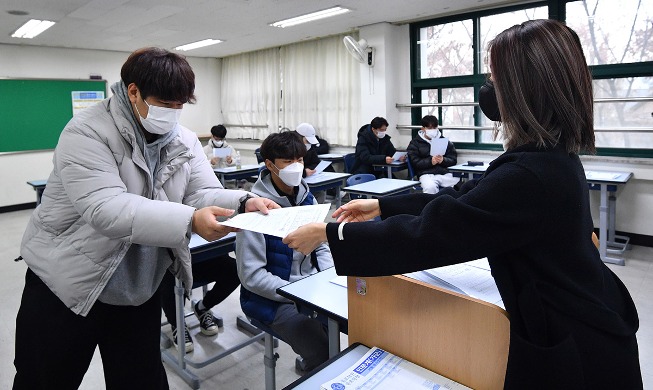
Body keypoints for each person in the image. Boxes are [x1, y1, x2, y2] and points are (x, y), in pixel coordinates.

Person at [283, 20, 642, 389]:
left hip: (579, 350)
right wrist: (384, 207)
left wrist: (330, 233)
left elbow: (431, 235)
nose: (488, 90)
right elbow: (467, 201)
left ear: (524, 89)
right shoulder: (547, 157)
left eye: (494, 79)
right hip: (585, 314)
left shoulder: (532, 173)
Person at [14, 47, 278, 390]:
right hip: (67, 283)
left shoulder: (182, 139)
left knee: (141, 380)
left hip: (138, 287)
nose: (172, 113)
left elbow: (200, 192)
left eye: (180, 104)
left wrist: (244, 202)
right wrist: (190, 221)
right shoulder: (87, 132)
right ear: (133, 91)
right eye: (165, 103)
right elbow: (105, 208)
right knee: (45, 379)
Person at [236, 131, 333, 371]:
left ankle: (314, 364)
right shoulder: (255, 210)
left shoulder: (307, 197)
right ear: (270, 165)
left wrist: (328, 276)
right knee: (322, 348)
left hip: (309, 286)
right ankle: (316, 366)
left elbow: (320, 243)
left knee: (347, 324)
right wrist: (296, 292)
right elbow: (252, 276)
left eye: (299, 160)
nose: (296, 167)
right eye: (288, 162)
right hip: (271, 298)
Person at [158, 254, 240, 352]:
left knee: (233, 269)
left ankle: (202, 308)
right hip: (173, 263)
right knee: (169, 274)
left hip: (200, 255)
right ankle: (177, 324)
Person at [406, 115, 459, 194]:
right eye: (429, 128)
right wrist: (430, 161)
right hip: (425, 174)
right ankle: (432, 205)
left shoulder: (444, 141)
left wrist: (443, 160)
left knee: (458, 181)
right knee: (430, 187)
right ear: (423, 129)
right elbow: (415, 162)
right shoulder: (415, 143)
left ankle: (449, 204)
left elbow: (453, 160)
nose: (433, 130)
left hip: (443, 173)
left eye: (434, 128)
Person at [295, 123, 333, 203]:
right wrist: (304, 172)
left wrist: (309, 170)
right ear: (299, 137)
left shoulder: (310, 148)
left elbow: (316, 162)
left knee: (320, 193)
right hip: (294, 183)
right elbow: (286, 169)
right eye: (307, 141)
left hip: (307, 179)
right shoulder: (289, 148)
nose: (309, 144)